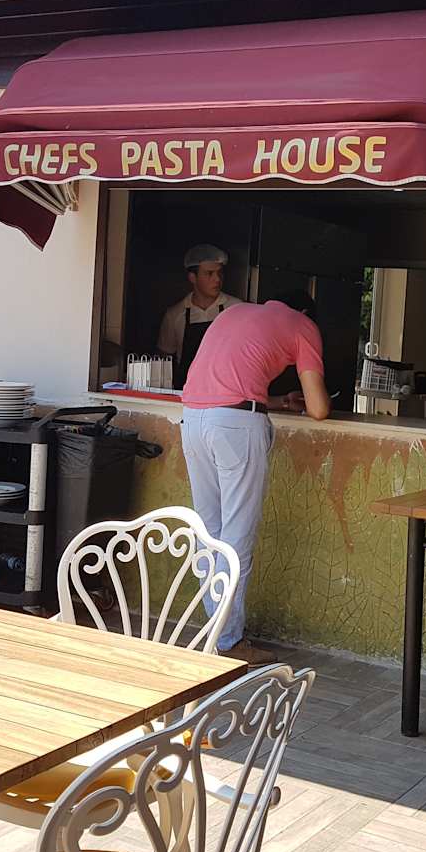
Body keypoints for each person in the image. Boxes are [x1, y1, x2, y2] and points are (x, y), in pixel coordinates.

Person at [180, 290, 331, 658]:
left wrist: (277, 401)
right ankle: (229, 643)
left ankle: (214, 633)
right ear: (304, 311)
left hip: (192, 419)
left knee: (208, 531)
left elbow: (229, 384)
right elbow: (319, 409)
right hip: (235, 427)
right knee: (237, 536)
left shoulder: (232, 313)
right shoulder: (303, 325)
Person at [156, 244, 245, 387]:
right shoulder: (175, 315)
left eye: (220, 273)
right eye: (209, 273)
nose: (217, 279)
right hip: (186, 392)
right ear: (192, 277)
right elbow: (164, 359)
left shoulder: (236, 309)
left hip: (225, 391)